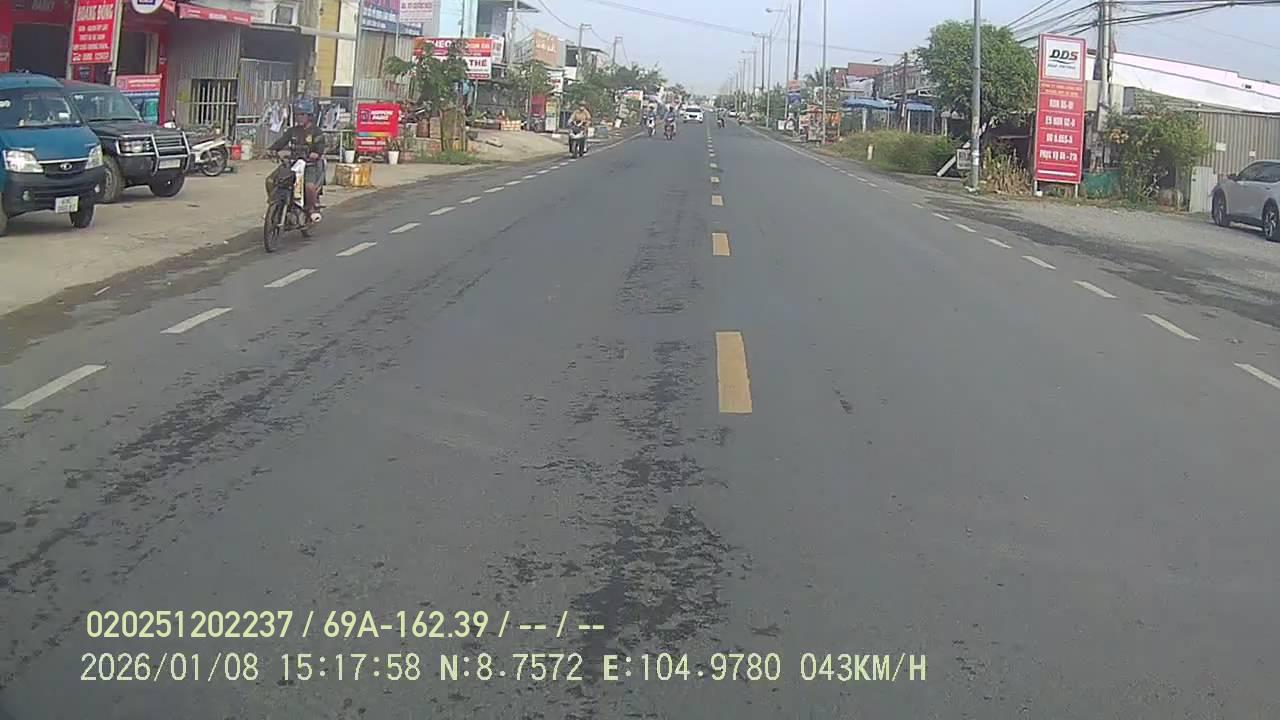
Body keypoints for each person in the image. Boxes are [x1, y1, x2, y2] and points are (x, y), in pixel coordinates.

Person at [269, 98, 326, 222]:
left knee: (309, 186)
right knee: (271, 180)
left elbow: (320, 147)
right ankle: (274, 206)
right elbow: (281, 142)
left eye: (302, 114)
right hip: (292, 164)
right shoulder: (292, 131)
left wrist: (315, 154)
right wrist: (272, 150)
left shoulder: (316, 132)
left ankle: (311, 209)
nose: (299, 117)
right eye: (297, 114)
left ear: (309, 116)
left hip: (309, 165)